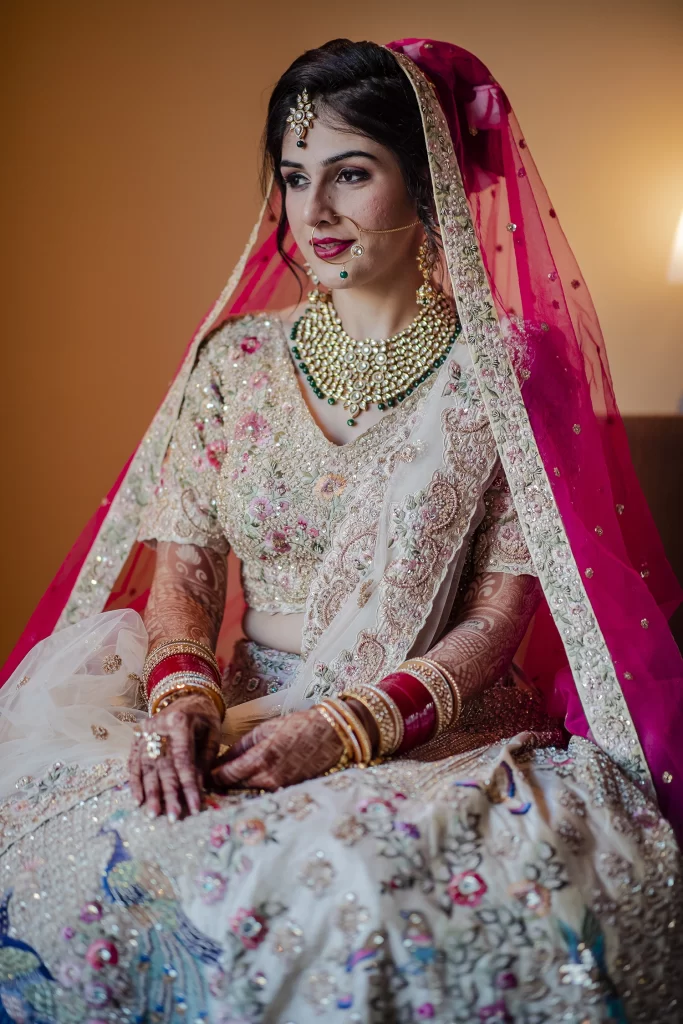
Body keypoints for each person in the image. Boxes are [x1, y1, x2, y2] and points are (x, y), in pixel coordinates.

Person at [0, 37, 682, 1024]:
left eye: (350, 174)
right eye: (292, 178)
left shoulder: (505, 368)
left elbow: (498, 616)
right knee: (82, 855)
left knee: (376, 901)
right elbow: (184, 572)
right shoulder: (233, 362)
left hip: (438, 732)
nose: (311, 212)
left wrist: (344, 726)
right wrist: (182, 704)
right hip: (233, 714)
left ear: (429, 178)